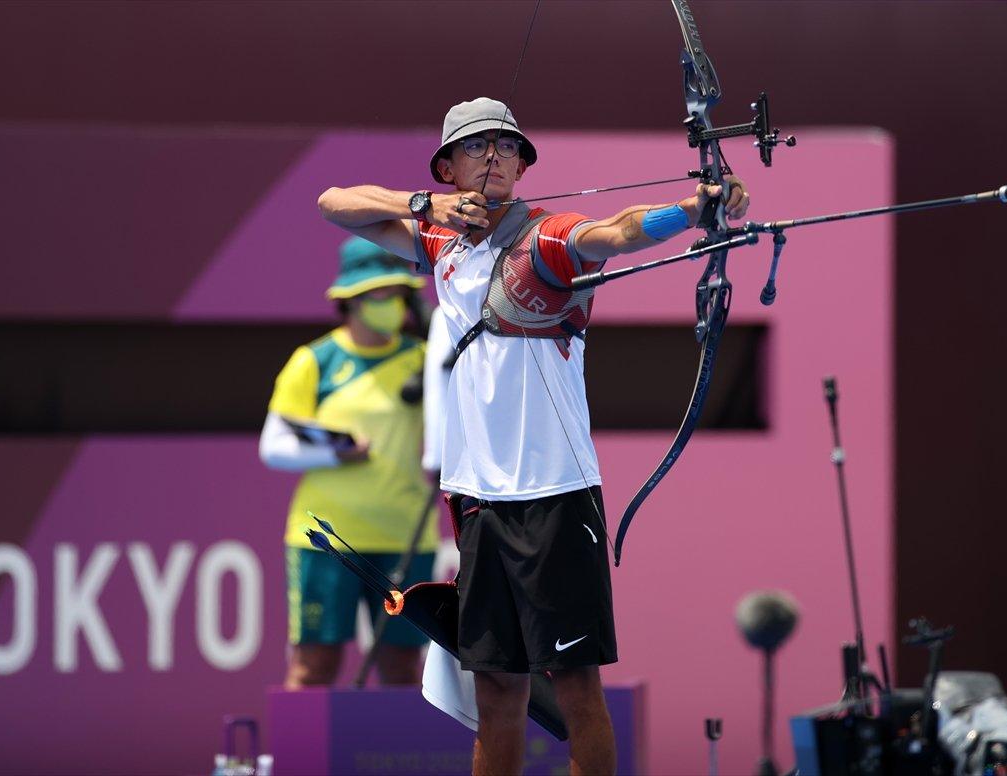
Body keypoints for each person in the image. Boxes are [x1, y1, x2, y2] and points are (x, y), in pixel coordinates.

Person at [317, 97, 749, 774]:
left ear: (521, 163)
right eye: (477, 146)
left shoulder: (547, 239)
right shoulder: (439, 242)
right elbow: (333, 201)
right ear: (448, 167)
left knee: (576, 690)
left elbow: (617, 232)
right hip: (478, 502)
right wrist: (424, 207)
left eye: (507, 146)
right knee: (495, 688)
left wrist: (692, 212)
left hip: (554, 498)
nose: (495, 155)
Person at [259, 235, 439, 689]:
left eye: (399, 293)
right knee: (313, 666)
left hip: (406, 538)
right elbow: (273, 446)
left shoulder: (427, 361)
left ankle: (394, 763)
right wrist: (337, 451)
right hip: (325, 540)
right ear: (352, 299)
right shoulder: (315, 361)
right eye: (380, 293)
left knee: (403, 671)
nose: (391, 303)